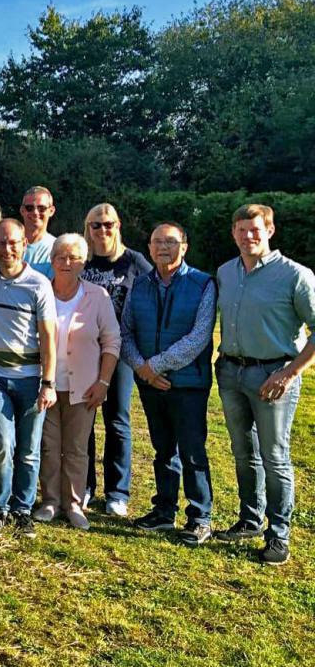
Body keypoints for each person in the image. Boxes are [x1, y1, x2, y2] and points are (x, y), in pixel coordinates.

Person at [214, 204, 315, 565]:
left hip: (273, 376)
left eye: (255, 229)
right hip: (230, 372)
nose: (248, 236)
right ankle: (250, 519)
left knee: (275, 457)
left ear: (270, 231)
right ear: (234, 234)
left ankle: (279, 535)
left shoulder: (295, 276)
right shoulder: (226, 272)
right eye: (241, 230)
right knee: (243, 453)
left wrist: (288, 373)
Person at [121, 222, 216, 546]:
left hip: (188, 384)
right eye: (157, 241)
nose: (163, 247)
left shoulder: (203, 283)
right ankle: (164, 510)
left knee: (192, 451)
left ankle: (199, 517)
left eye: (171, 242)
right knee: (163, 450)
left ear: (184, 247)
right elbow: (126, 332)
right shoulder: (140, 285)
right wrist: (141, 368)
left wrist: (154, 366)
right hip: (150, 383)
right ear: (148, 248)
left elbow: (200, 337)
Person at [0, 219, 57, 538]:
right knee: (3, 444)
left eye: (13, 243)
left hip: (31, 379)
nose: (6, 249)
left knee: (29, 449)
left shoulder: (39, 284)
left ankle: (24, 509)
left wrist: (48, 382)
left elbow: (49, 337)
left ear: (24, 245)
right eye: (0, 243)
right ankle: (0, 506)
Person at [34, 234, 120, 531]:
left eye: (73, 258)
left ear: (83, 262)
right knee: (48, 446)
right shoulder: (40, 290)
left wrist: (104, 382)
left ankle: (73, 504)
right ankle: (49, 501)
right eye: (60, 257)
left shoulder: (98, 296)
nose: (66, 263)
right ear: (52, 260)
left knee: (76, 448)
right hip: (45, 384)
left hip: (83, 387)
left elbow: (112, 342)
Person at [79, 203, 152, 517]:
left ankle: (117, 492)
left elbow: (156, 292)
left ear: (118, 225)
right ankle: (83, 485)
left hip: (120, 351)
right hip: (84, 349)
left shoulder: (134, 261)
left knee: (117, 420)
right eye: (96, 225)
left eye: (108, 224)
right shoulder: (81, 259)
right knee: (84, 419)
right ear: (88, 228)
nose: (102, 230)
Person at [20, 186, 56, 278]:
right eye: (29, 208)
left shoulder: (57, 248)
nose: (35, 212)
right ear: (22, 210)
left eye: (42, 208)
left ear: (51, 211)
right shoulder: (8, 244)